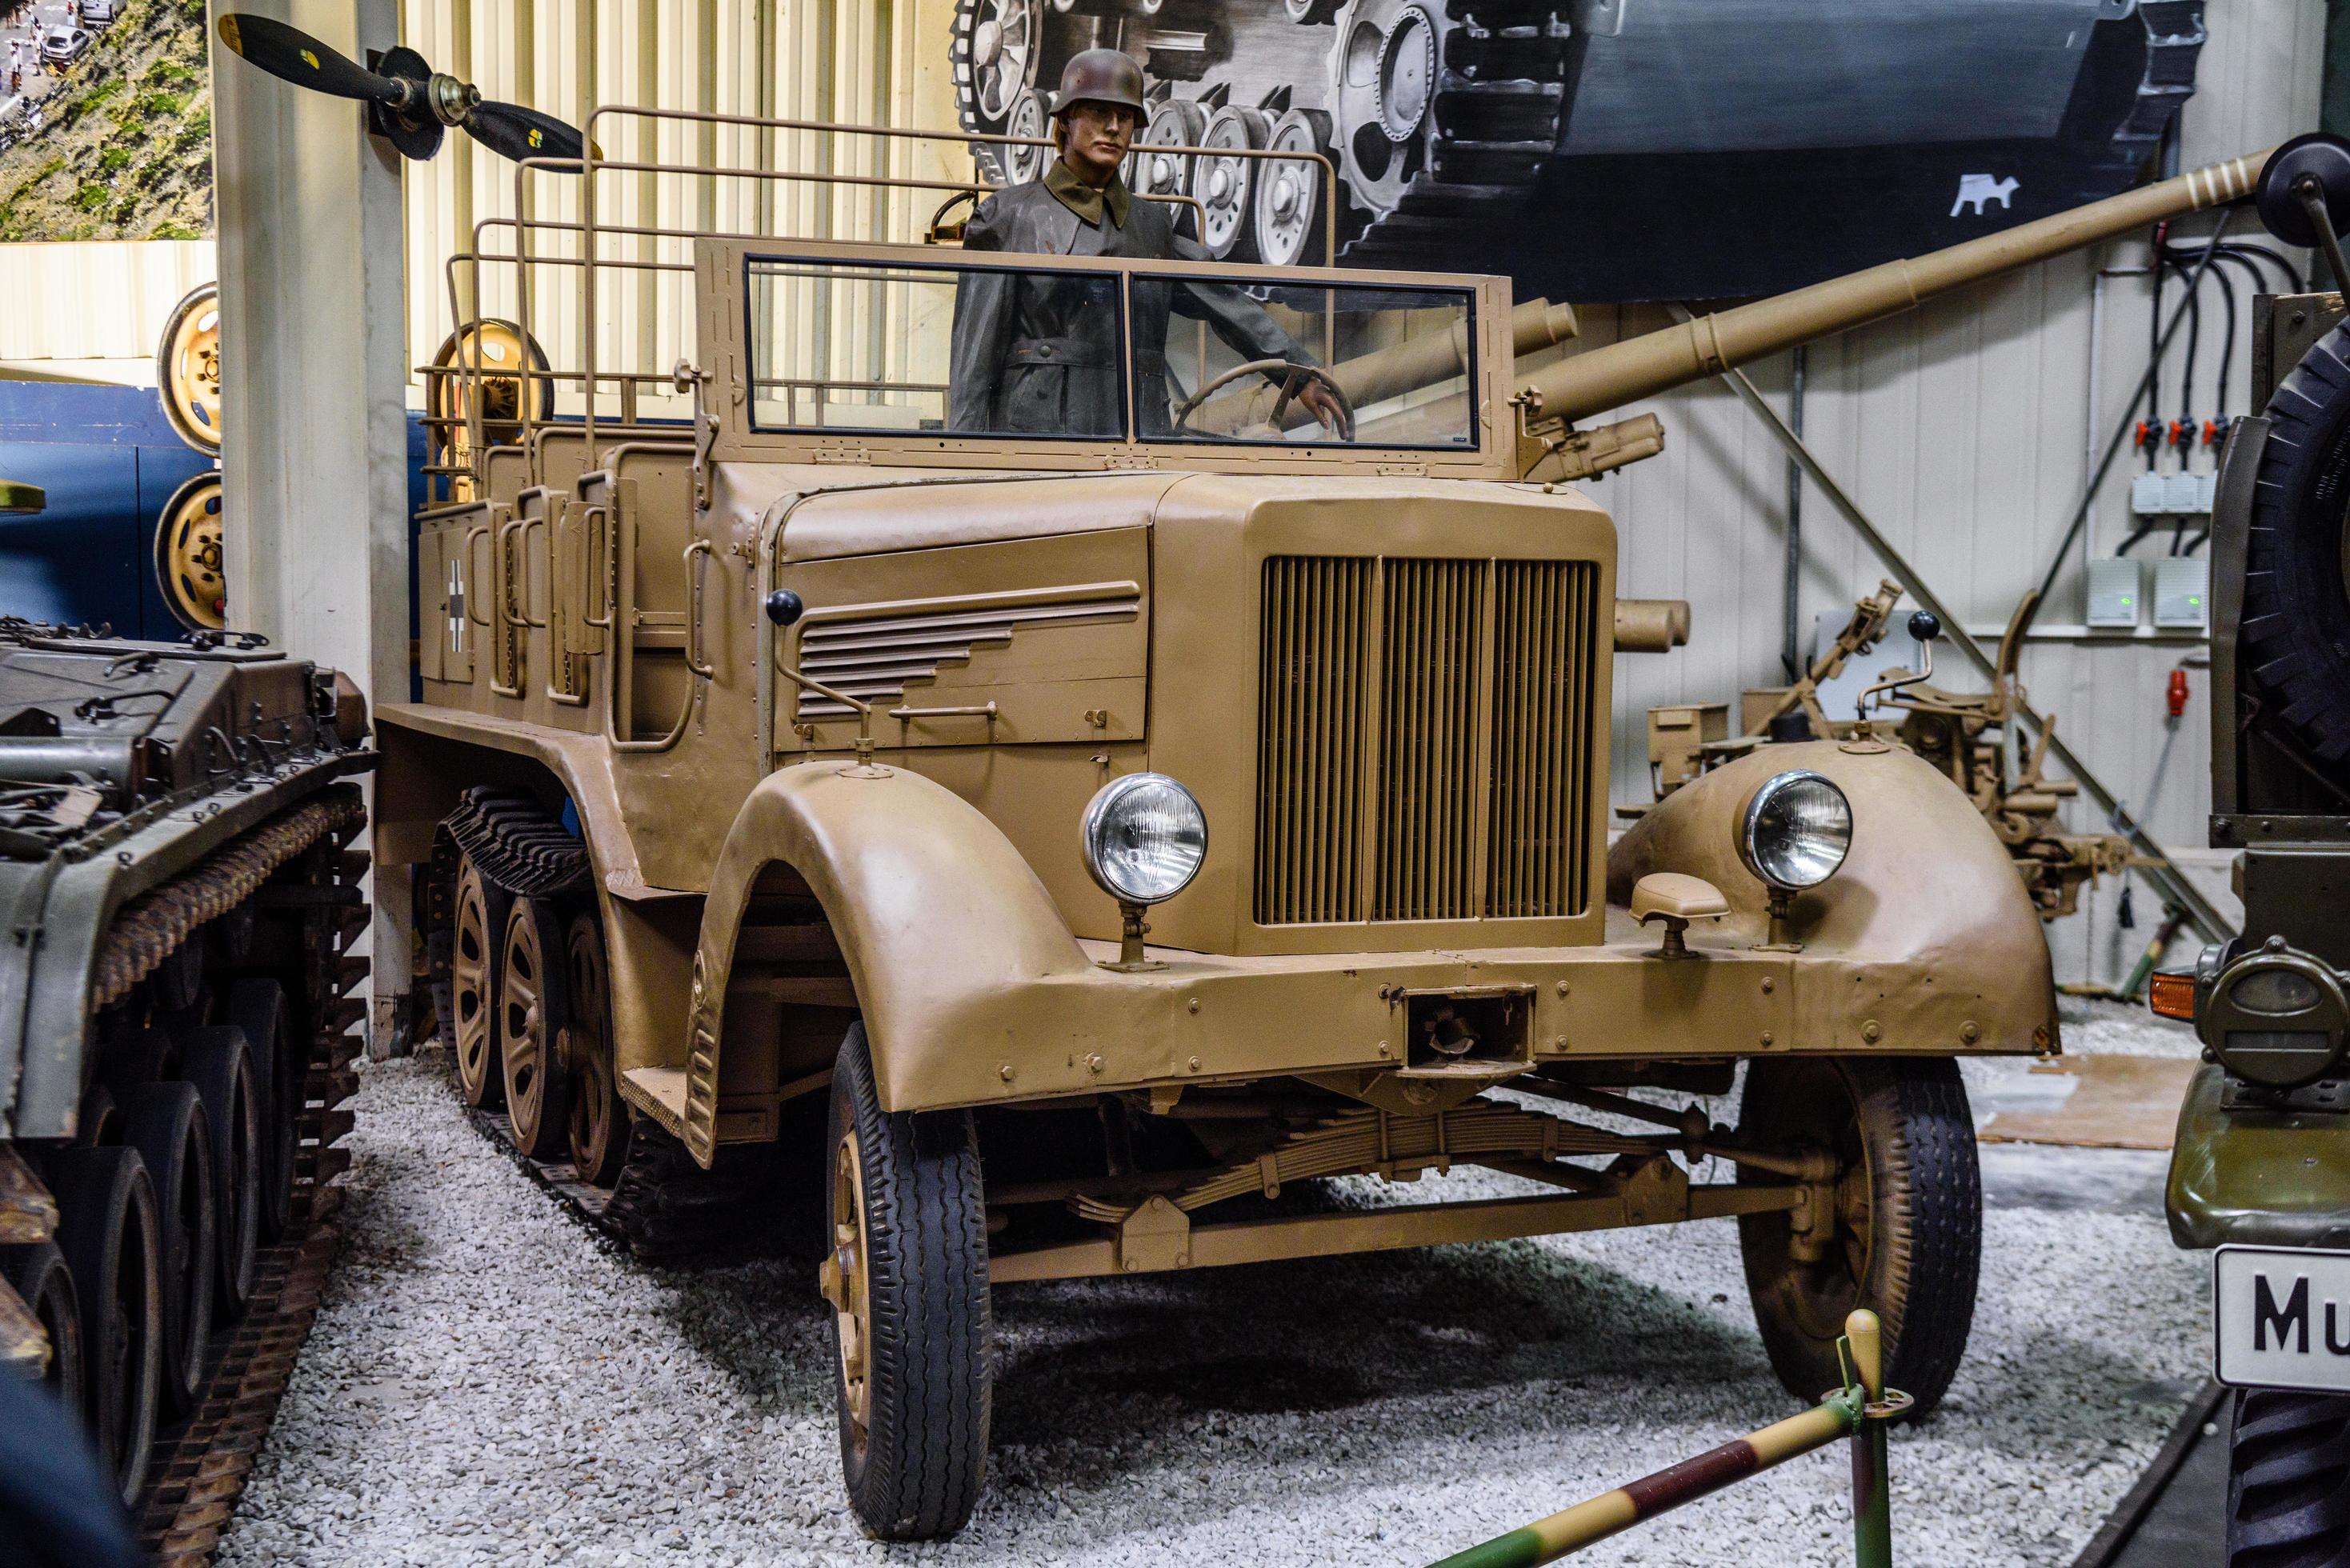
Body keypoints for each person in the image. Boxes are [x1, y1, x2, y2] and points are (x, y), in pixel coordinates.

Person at [947, 48, 1343, 439]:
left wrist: (1300, 373)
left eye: (1126, 117)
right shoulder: (1009, 217)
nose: (1115, 128)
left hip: (1139, 436)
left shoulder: (1151, 227)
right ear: (1067, 119)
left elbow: (1227, 305)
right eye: (1100, 112)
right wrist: (965, 455)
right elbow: (974, 356)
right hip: (1041, 439)